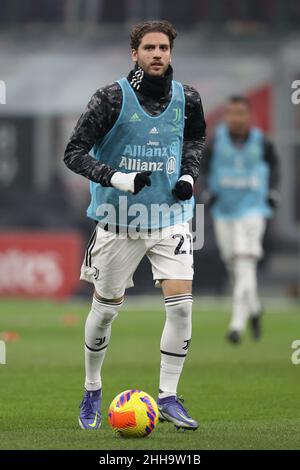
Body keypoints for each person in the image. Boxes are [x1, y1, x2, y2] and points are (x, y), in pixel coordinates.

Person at [64, 20, 206, 430]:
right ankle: (92, 388)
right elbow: (72, 153)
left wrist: (188, 176)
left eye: (164, 47)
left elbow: (195, 139)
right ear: (134, 54)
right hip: (119, 221)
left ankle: (168, 397)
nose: (158, 54)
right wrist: (117, 178)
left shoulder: (189, 98)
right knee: (105, 312)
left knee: (181, 307)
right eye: (149, 48)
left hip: (170, 218)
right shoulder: (110, 98)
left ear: (171, 52)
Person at [202, 95, 280, 344]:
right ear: (227, 116)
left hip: (252, 210)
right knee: (232, 264)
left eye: (240, 113)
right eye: (231, 113)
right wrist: (206, 191)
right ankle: (255, 308)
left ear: (248, 116)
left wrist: (272, 192)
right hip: (224, 211)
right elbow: (202, 169)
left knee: (244, 261)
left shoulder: (262, 142)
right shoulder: (216, 142)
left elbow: (275, 167)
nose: (236, 118)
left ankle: (236, 324)